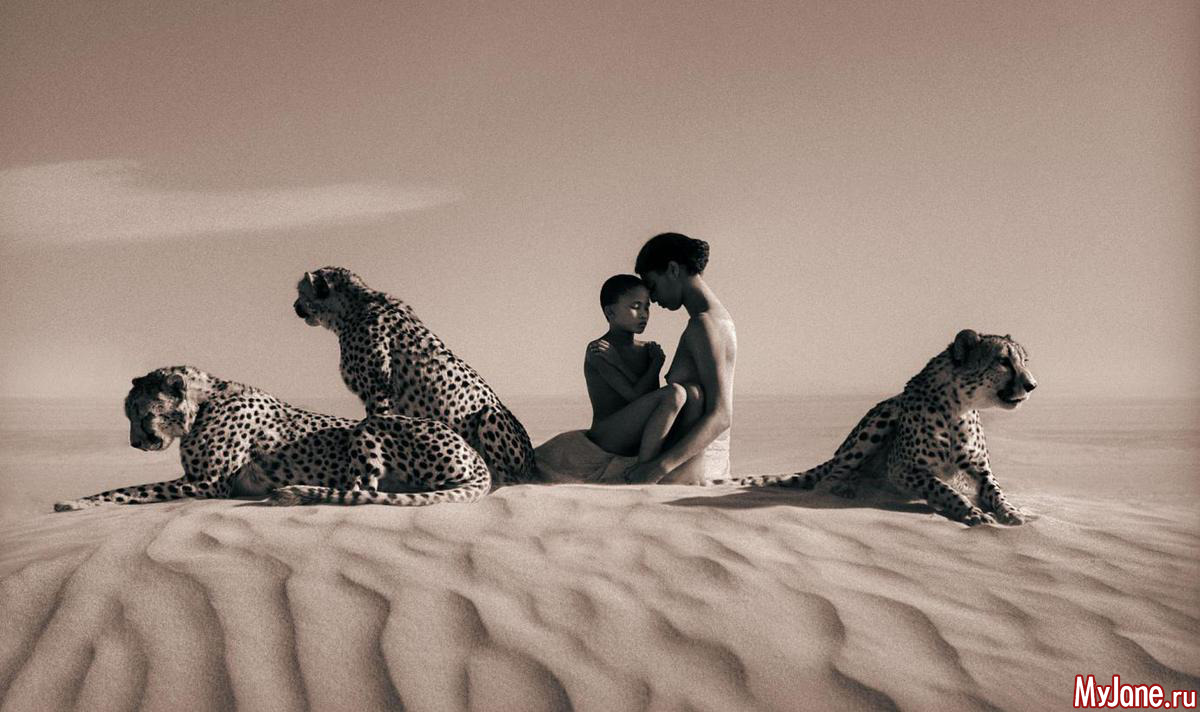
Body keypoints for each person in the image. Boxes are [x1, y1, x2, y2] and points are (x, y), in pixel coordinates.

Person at [621, 232, 736, 485]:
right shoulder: (716, 319)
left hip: (691, 470)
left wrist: (656, 469)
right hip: (705, 465)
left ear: (673, 270)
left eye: (652, 286)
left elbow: (721, 415)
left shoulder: (704, 325)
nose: (652, 298)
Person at [584, 275, 688, 465]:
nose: (643, 314)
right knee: (675, 393)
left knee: (690, 395)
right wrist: (651, 366)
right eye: (635, 306)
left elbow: (651, 399)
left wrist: (654, 364)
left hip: (636, 433)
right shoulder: (600, 350)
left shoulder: (647, 350)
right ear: (610, 312)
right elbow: (633, 396)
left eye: (647, 307)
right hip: (607, 436)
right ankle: (644, 470)